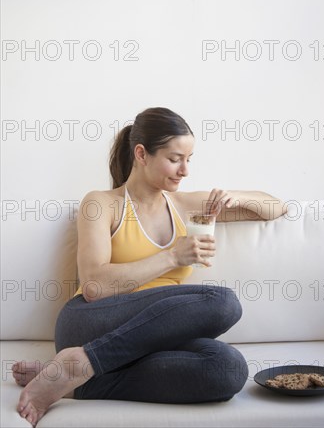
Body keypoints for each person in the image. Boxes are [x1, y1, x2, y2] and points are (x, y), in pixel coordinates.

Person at [12, 106, 288, 427]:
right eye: (175, 159)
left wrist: (234, 197)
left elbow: (276, 207)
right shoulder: (101, 203)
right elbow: (94, 286)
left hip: (156, 333)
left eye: (189, 159)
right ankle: (82, 360)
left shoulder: (185, 205)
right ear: (141, 154)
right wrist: (172, 256)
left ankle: (75, 379)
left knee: (228, 368)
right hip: (89, 322)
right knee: (222, 303)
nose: (185, 170)